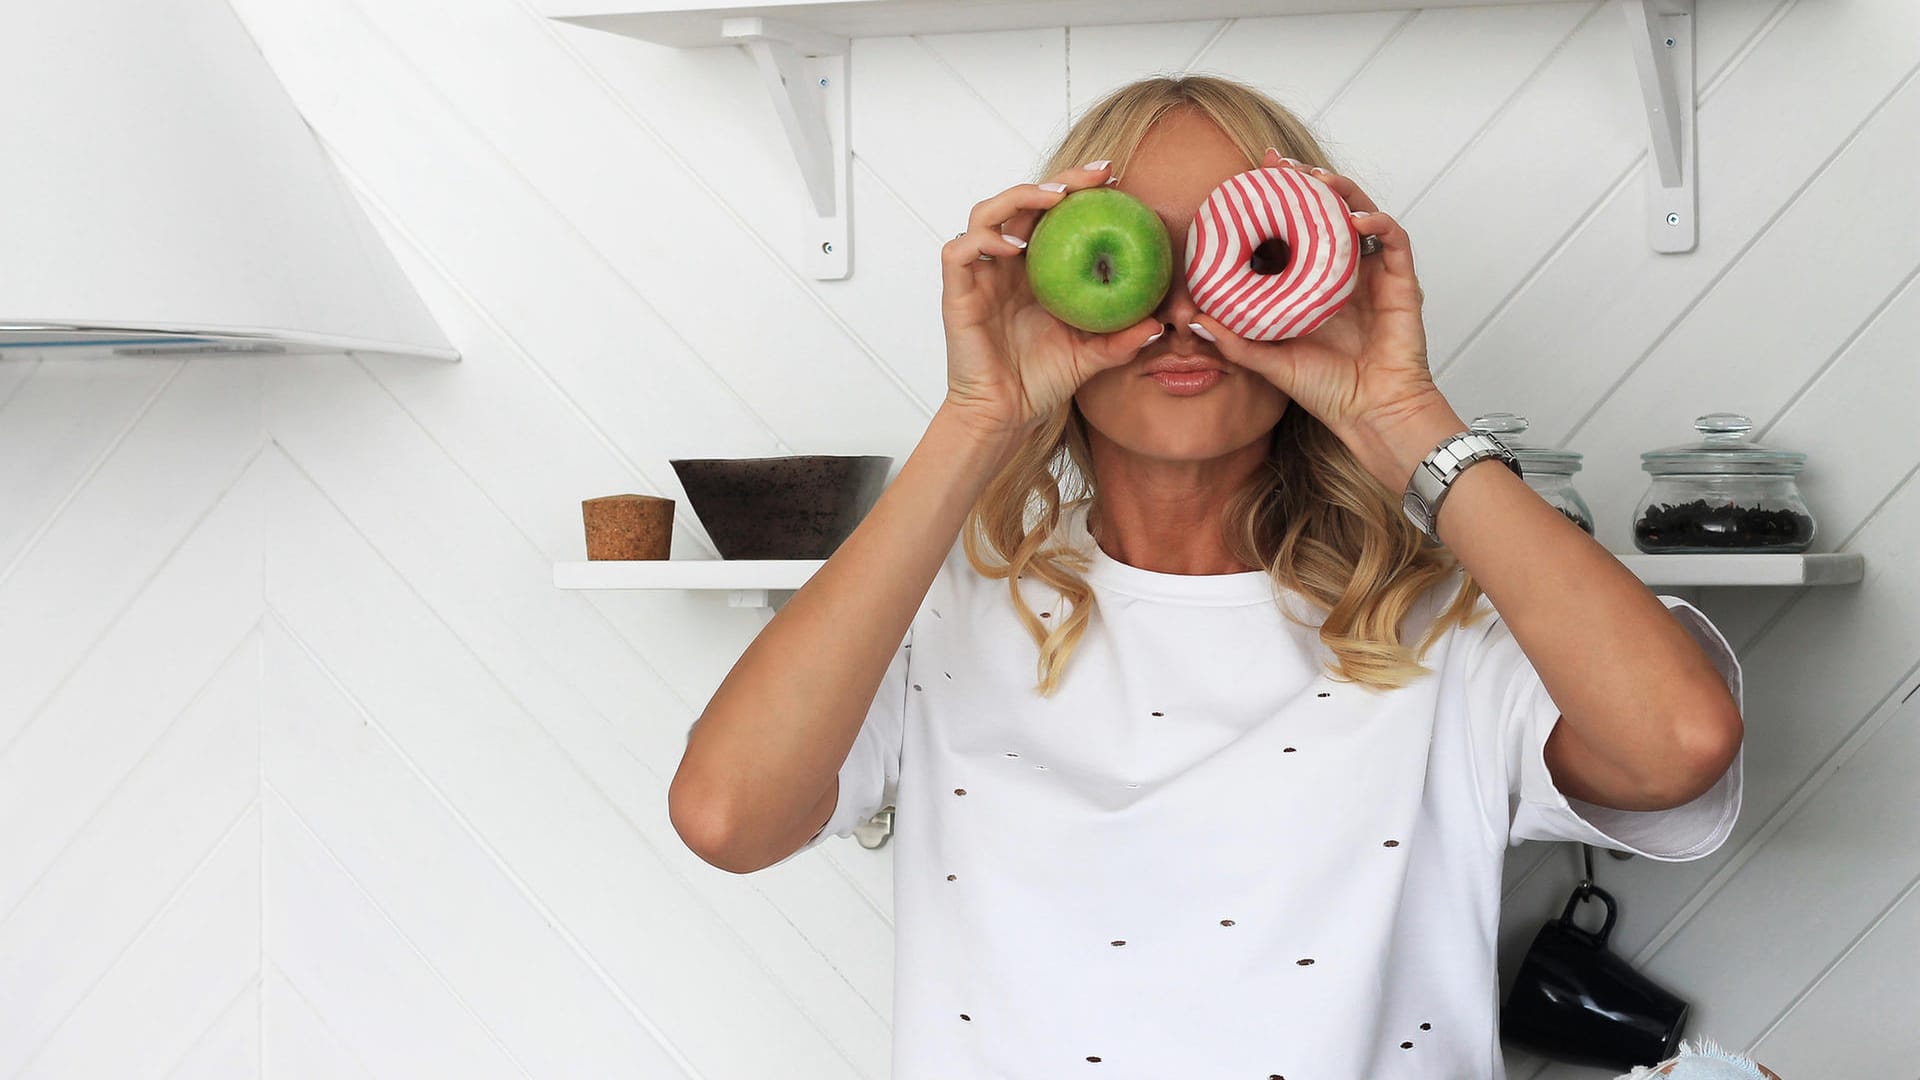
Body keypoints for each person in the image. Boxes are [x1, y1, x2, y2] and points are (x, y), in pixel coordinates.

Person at [670, 74, 1748, 1079]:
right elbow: (728, 817)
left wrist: (1403, 412)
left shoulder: (1444, 628)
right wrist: (977, 420)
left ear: (1324, 274)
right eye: (1141, 248)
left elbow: (1678, 745)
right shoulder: (940, 615)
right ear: (1043, 282)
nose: (1184, 308)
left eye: (1244, 252)